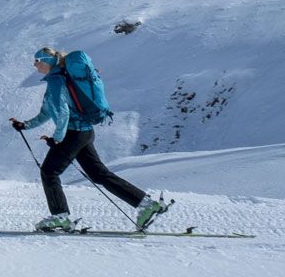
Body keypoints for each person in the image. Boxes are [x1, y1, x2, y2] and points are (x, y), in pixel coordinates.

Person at [9, 47, 168, 232]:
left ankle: (60, 217)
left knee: (49, 172)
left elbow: (63, 112)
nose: (35, 65)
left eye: (37, 61)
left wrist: (58, 138)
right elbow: (47, 112)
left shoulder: (56, 80)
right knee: (99, 174)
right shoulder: (59, 78)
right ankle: (147, 205)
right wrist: (25, 125)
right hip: (84, 132)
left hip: (74, 133)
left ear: (47, 61)